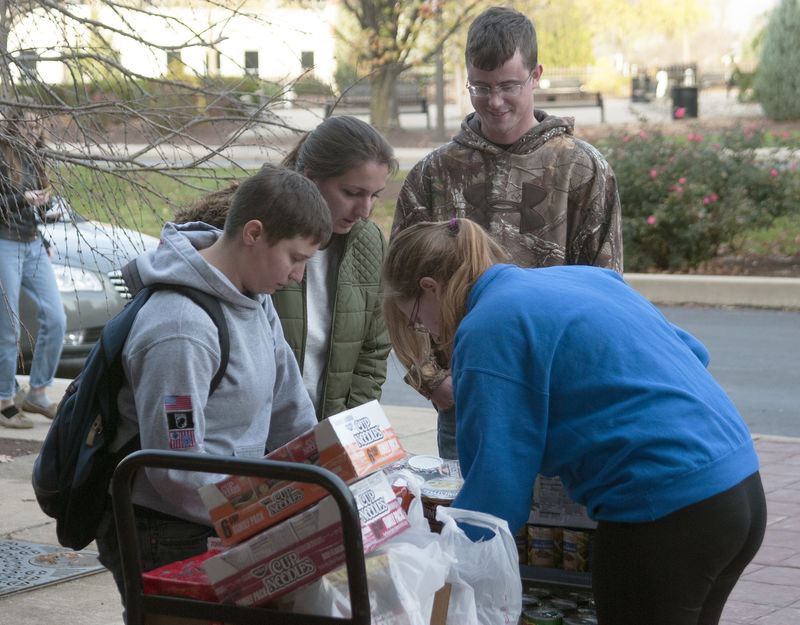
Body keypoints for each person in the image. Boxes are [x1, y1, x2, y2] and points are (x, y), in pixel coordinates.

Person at [382, 219, 766, 625]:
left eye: (416, 319)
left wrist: (440, 570)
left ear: (430, 287)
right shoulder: (584, 278)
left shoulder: (487, 327)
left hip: (663, 510)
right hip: (739, 489)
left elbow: (495, 492)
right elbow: (693, 351)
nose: (428, 331)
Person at [95, 164, 332, 605]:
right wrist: (253, 514)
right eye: (296, 258)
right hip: (169, 529)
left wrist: (321, 474)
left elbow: (289, 408)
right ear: (254, 233)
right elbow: (176, 465)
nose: (298, 275)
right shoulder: (181, 329)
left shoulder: (256, 297)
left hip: (227, 515)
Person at [391, 7, 623, 458]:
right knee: (470, 524)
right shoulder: (433, 174)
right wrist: (432, 380)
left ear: (535, 76)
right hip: (465, 405)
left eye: (508, 86)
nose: (494, 101)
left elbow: (607, 290)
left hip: (558, 401)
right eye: (480, 87)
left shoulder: (583, 169)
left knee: (554, 530)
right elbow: (401, 288)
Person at [170, 116, 398, 420]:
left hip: (317, 431)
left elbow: (372, 350)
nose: (365, 211)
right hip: (252, 439)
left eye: (374, 195)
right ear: (310, 178)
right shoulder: (253, 239)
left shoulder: (367, 241)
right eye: (352, 193)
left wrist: (348, 427)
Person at [0, 101, 67, 428]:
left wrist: (45, 213)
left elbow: (36, 213)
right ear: (13, 126)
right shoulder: (2, 156)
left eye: (37, 126)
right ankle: (4, 401)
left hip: (32, 244)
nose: (32, 132)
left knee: (56, 318)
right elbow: (4, 205)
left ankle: (37, 392)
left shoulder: (35, 158)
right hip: (4, 244)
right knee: (9, 327)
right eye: (26, 125)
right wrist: (22, 199)